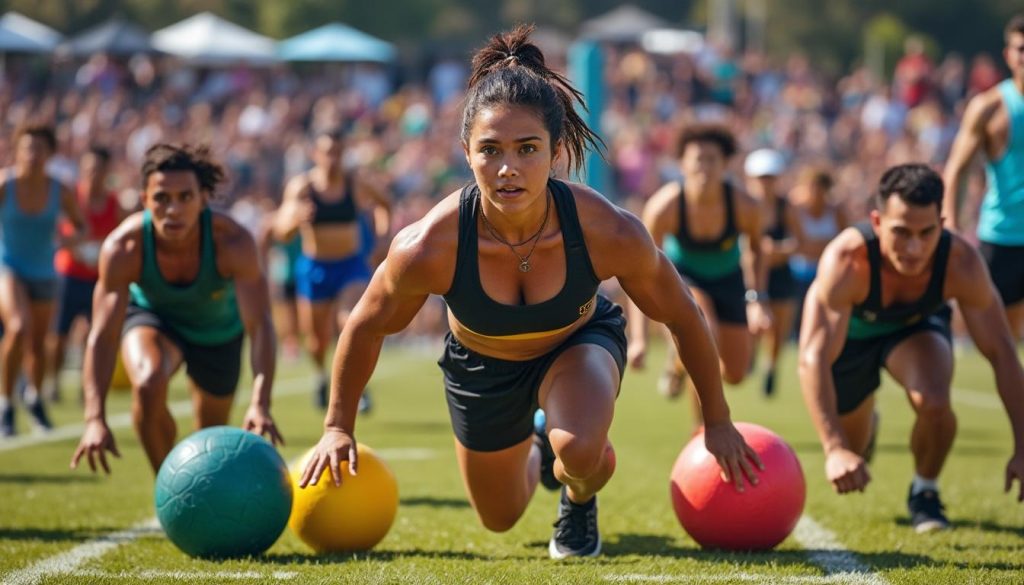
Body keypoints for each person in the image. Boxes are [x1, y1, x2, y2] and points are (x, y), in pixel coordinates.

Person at [298, 26, 761, 560]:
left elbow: (682, 315)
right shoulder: (427, 246)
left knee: (582, 453)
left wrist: (718, 420)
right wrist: (337, 427)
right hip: (480, 368)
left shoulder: (608, 230)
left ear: (557, 149)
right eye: (490, 150)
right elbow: (365, 324)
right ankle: (545, 443)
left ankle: (578, 497)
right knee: (500, 518)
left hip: (576, 344)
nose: (508, 168)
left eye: (527, 149)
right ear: (466, 153)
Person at [798, 163, 1024, 533]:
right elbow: (813, 357)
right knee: (854, 448)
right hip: (850, 341)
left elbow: (1001, 350)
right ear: (876, 221)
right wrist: (835, 447)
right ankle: (865, 425)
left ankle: (925, 491)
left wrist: (1022, 444)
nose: (914, 248)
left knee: (935, 400)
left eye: (926, 232)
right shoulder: (846, 261)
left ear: (942, 222)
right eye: (901, 232)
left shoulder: (961, 263)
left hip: (914, 331)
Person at [70, 144, 282, 475]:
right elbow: (103, 336)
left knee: (209, 441)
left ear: (203, 200)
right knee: (148, 382)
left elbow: (260, 325)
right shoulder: (123, 248)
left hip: (218, 333)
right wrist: (94, 418)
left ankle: (194, 478)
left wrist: (261, 401)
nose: (173, 209)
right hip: (155, 319)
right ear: (144, 200)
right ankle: (168, 483)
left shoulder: (234, 242)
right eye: (162, 198)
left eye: (185, 197)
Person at [627, 124, 771, 408]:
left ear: (726, 164)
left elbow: (756, 250)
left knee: (735, 373)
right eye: (697, 159)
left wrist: (758, 299)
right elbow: (639, 272)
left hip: (729, 279)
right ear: (682, 164)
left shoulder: (745, 206)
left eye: (712, 159)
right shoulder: (663, 207)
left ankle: (678, 363)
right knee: (705, 336)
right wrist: (639, 339)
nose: (704, 167)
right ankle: (703, 428)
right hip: (683, 276)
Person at [274, 128, 391, 410]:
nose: (333, 159)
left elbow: (384, 205)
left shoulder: (356, 183)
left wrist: (382, 239)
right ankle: (320, 376)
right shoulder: (302, 188)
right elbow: (281, 231)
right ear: (315, 155)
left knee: (350, 322)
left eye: (338, 152)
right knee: (315, 341)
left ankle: (357, 388)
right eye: (327, 152)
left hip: (351, 266)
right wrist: (295, 221)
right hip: (314, 269)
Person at [0, 123, 86, 437]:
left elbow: (80, 226)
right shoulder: (5, 185)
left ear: (51, 153)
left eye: (39, 148)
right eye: (27, 148)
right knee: (17, 327)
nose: (33, 155)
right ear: (17, 150)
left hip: (45, 272)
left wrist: (66, 243)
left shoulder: (59, 189)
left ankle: (34, 400)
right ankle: (5, 406)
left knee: (38, 344)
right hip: (7, 268)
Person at [942, 14, 1024, 340]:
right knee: (998, 338)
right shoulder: (989, 108)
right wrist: (951, 227)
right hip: (1001, 237)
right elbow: (957, 169)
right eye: (1021, 49)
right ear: (1008, 54)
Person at [46, 145, 127, 403]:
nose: (93, 174)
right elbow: (55, 232)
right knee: (59, 337)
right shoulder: (72, 198)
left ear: (106, 172)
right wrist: (77, 246)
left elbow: (122, 235)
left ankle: (87, 386)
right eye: (89, 169)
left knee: (94, 336)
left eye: (99, 169)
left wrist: (101, 248)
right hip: (68, 275)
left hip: (98, 279)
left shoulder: (114, 203)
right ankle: (51, 382)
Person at [744, 149, 805, 397]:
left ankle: (771, 366)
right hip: (750, 276)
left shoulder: (785, 207)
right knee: (751, 326)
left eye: (769, 178)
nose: (765, 184)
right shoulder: (743, 204)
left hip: (780, 275)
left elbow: (799, 240)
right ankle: (750, 358)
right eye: (761, 178)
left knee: (779, 328)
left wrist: (779, 251)